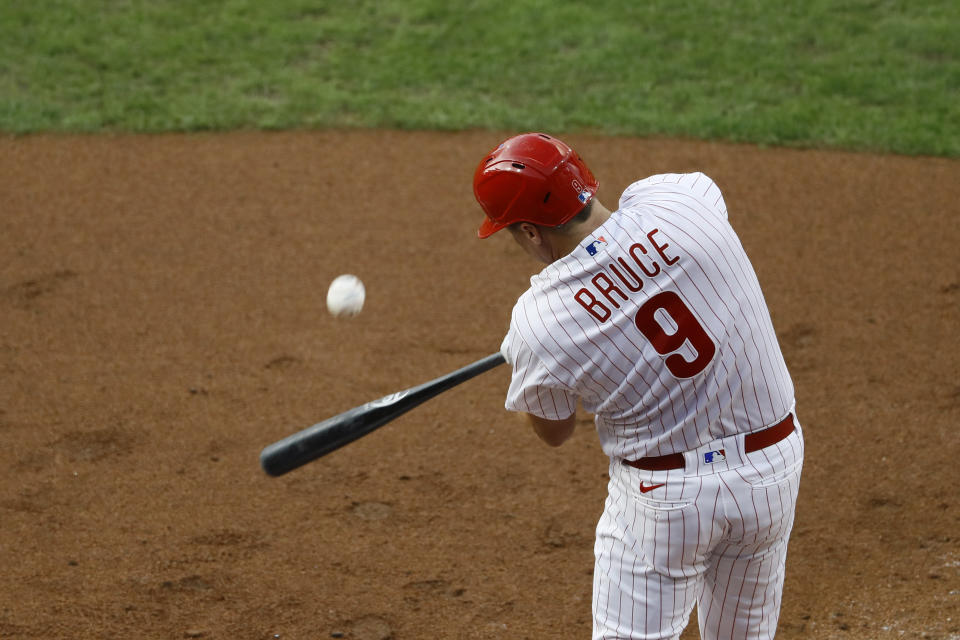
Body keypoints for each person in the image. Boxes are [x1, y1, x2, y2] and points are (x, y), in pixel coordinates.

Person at [473, 132, 804, 640]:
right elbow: (659, 240)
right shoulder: (680, 202)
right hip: (772, 470)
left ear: (530, 232)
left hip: (667, 504)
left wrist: (528, 363)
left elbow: (554, 431)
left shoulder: (542, 322)